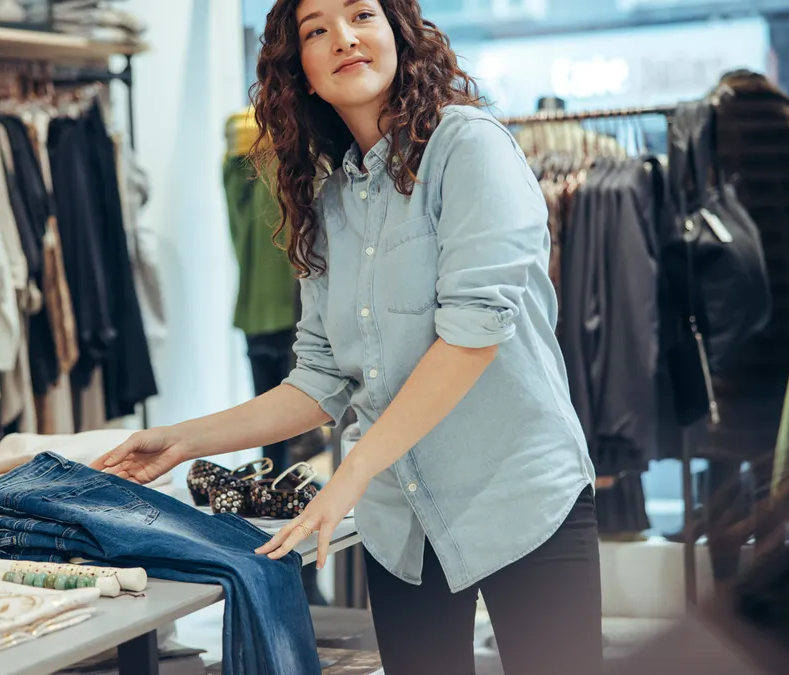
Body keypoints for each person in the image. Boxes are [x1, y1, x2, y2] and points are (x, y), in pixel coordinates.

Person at [91, 1, 603, 673]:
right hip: (403, 524)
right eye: (315, 30)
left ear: (398, 33)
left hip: (520, 500)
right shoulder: (332, 203)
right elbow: (319, 379)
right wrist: (183, 440)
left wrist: (348, 475)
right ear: (299, 70)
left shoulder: (468, 147)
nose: (343, 38)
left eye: (362, 13)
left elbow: (472, 336)